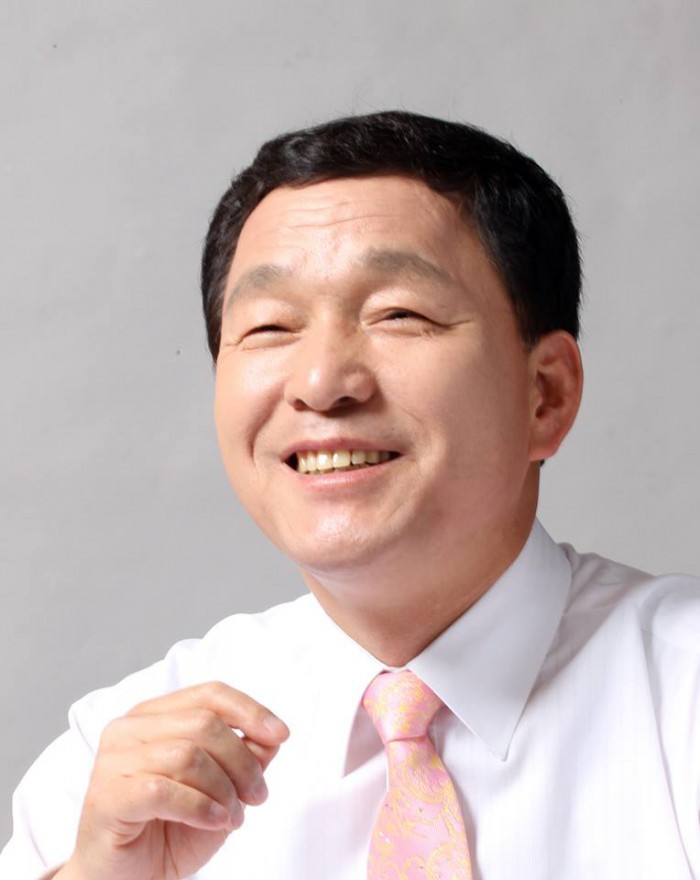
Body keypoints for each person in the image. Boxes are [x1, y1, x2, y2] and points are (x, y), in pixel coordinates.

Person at [1, 110, 698, 880]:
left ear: (545, 395)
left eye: (399, 314)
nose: (322, 381)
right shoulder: (111, 776)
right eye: (271, 327)